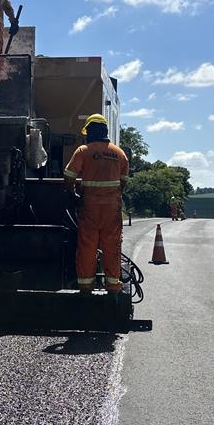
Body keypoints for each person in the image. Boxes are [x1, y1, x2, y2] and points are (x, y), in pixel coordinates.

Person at [63, 114, 130, 293]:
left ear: (90, 131)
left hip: (90, 209)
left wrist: (73, 195)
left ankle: (86, 288)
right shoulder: (119, 153)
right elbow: (123, 182)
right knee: (112, 247)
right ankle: (114, 287)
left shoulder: (83, 151)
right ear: (106, 131)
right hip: (112, 210)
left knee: (87, 247)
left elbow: (69, 177)